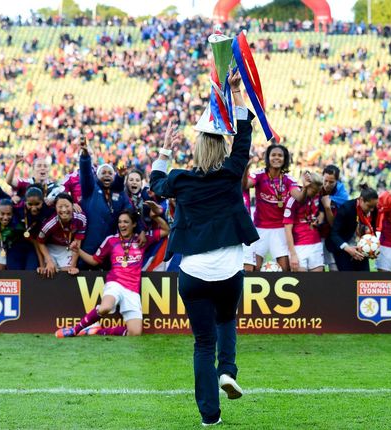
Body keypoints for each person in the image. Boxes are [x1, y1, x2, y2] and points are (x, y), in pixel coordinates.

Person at [149, 71, 258, 427]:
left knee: (201, 343)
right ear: (222, 148)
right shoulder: (230, 175)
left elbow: (155, 183)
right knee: (227, 319)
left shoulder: (180, 179)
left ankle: (210, 416)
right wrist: (238, 93)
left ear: (196, 148)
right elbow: (244, 138)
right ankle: (227, 370)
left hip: (193, 274)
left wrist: (164, 148)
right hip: (228, 271)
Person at [55, 207, 168, 336]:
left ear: (134, 224)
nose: (122, 225)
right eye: (120, 222)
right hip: (115, 283)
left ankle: (97, 331)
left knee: (135, 333)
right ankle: (75, 330)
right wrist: (78, 251)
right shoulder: (111, 240)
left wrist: (155, 217)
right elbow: (94, 260)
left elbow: (166, 230)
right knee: (105, 307)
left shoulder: (142, 239)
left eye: (126, 222)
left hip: (132, 289)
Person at [77, 137, 137, 265]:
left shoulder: (120, 195)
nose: (107, 175)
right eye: (103, 172)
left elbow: (131, 214)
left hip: (111, 251)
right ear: (97, 176)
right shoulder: (90, 190)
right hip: (88, 249)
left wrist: (140, 230)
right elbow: (86, 173)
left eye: (110, 173)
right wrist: (85, 156)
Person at [242, 143, 297, 271]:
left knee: (285, 268)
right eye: (273, 155)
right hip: (260, 228)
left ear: (285, 159)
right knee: (255, 268)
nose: (276, 158)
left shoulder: (289, 179)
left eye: (280, 155)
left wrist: (306, 189)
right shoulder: (259, 175)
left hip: (280, 229)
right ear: (268, 157)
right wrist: (246, 167)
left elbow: (298, 196)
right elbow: (245, 185)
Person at [326, 184, 379, 272]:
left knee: (363, 282)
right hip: (344, 250)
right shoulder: (346, 208)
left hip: (362, 250)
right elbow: (334, 233)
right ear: (361, 200)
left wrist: (373, 248)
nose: (372, 209)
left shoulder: (373, 209)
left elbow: (372, 229)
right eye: (369, 206)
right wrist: (348, 248)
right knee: (347, 283)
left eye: (374, 207)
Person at [37, 193, 87, 276]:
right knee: (50, 271)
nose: (64, 210)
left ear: (73, 205)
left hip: (67, 248)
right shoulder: (50, 224)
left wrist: (73, 266)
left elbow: (77, 243)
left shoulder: (81, 219)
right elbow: (40, 242)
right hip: (51, 248)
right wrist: (49, 261)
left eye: (67, 206)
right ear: (55, 208)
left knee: (68, 273)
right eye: (60, 207)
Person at [283, 172, 324, 272]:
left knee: (317, 284)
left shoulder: (316, 196)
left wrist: (318, 220)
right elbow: (287, 229)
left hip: (316, 244)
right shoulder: (292, 200)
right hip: (299, 246)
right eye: (314, 191)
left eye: (318, 191)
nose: (316, 194)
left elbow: (320, 214)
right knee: (302, 284)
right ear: (307, 186)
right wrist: (293, 254)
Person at [7, 187, 52, 270]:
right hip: (15, 245)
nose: (34, 208)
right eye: (30, 204)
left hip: (33, 248)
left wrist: (42, 265)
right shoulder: (16, 209)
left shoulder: (48, 210)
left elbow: (38, 241)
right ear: (25, 202)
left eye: (37, 204)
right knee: (14, 274)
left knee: (31, 272)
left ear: (43, 201)